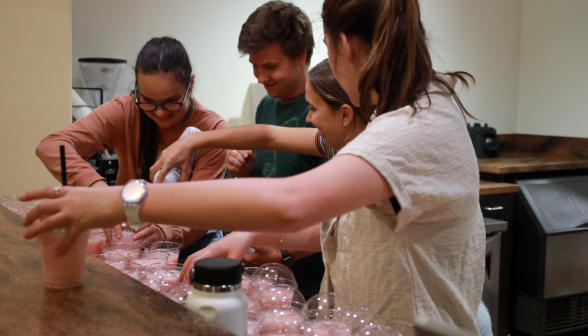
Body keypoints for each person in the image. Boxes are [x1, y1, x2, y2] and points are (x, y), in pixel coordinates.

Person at [21, 1, 486, 335]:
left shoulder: (411, 130)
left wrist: (120, 201)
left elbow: (291, 203)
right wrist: (245, 234)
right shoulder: (397, 118)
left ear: (342, 45)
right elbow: (332, 218)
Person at [34, 37, 228, 251]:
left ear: (190, 85)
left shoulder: (212, 129)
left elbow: (201, 213)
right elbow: (51, 145)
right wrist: (98, 190)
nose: (160, 112)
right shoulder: (125, 110)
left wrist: (164, 231)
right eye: (148, 101)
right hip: (130, 239)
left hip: (194, 245)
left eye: (171, 101)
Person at [211, 0, 327, 300]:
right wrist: (244, 168)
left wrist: (285, 254)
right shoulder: (265, 104)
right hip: (266, 265)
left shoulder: (326, 109)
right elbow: (269, 178)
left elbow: (332, 209)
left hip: (310, 273)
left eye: (270, 67)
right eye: (254, 67)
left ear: (300, 56)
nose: (260, 78)